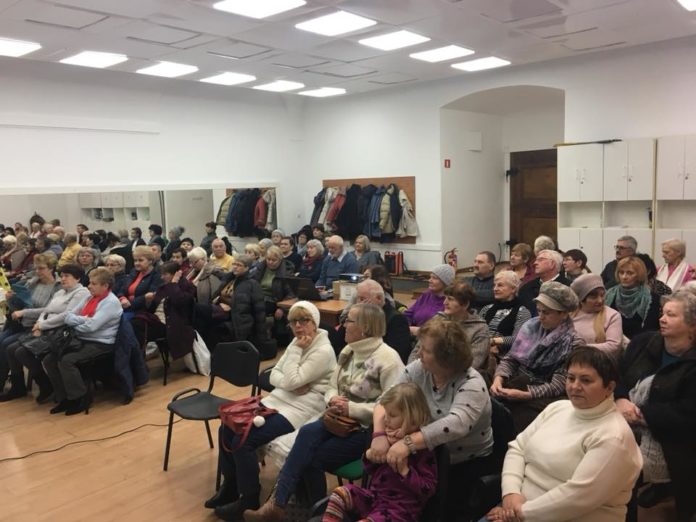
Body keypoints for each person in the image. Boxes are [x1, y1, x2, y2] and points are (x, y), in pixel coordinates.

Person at [244, 303, 405, 521]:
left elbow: (391, 409)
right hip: (337, 418)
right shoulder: (348, 351)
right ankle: (280, 504)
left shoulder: (389, 360)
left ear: (365, 328)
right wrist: (332, 398)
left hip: (365, 429)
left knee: (311, 457)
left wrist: (352, 408)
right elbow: (331, 386)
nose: (342, 325)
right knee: (306, 434)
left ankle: (315, 514)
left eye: (348, 320)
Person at [208, 301, 337, 520]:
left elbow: (290, 379)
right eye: (293, 321)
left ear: (315, 323)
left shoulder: (322, 350)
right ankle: (231, 486)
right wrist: (290, 382)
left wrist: (293, 367)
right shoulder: (296, 343)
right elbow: (272, 375)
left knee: (244, 439)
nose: (298, 326)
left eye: (304, 320)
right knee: (227, 428)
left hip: (301, 409)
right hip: (279, 400)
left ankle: (248, 498)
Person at [486, 347, 642, 522]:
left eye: (586, 380)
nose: (575, 386)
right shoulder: (558, 408)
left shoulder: (614, 437)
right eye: (571, 378)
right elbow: (517, 448)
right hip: (518, 508)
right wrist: (510, 494)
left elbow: (577, 498)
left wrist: (519, 514)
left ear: (610, 387)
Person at [371, 317, 494, 521]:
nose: (418, 353)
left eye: (426, 350)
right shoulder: (420, 368)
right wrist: (379, 434)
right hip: (424, 454)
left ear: (446, 358)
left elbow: (457, 424)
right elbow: (385, 400)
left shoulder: (472, 383)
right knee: (392, 497)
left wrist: (407, 443)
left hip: (462, 463)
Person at [615, 290, 696, 520]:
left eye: (671, 315)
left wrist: (641, 415)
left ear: (692, 325)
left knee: (620, 471)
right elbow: (618, 376)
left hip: (672, 435)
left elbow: (689, 412)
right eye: (662, 313)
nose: (662, 319)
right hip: (623, 416)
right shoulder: (644, 342)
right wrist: (621, 399)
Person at [323, 383, 437, 522]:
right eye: (386, 413)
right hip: (374, 498)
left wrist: (405, 471)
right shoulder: (387, 438)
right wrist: (369, 456)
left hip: (400, 511)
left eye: (392, 415)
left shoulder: (422, 449)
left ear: (412, 419)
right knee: (340, 494)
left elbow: (427, 490)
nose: (386, 419)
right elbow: (371, 471)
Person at [491, 281, 582, 433]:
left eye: (546, 312)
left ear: (563, 313)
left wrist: (526, 395)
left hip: (546, 396)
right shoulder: (531, 327)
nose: (540, 317)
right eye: (539, 311)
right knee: (491, 406)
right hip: (519, 384)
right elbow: (511, 359)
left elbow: (558, 386)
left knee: (514, 419)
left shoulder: (573, 343)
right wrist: (498, 379)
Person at [0, 264, 90, 402]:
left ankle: (46, 385)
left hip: (61, 332)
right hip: (45, 328)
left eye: (67, 276)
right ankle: (28, 386)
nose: (63, 279)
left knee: (21, 351)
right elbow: (46, 311)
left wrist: (42, 325)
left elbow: (67, 315)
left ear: (77, 278)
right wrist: (39, 324)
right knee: (11, 348)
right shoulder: (60, 293)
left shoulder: (81, 293)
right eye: (62, 276)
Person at [42, 267, 123, 415]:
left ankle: (79, 398)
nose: (89, 286)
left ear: (105, 285)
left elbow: (91, 327)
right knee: (49, 359)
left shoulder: (111, 302)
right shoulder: (89, 297)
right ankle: (63, 397)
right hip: (81, 338)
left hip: (100, 342)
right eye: (89, 282)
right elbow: (68, 315)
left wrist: (78, 322)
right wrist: (84, 319)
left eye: (93, 283)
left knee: (67, 360)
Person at [0, 253, 60, 390]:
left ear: (51, 268)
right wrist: (11, 299)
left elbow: (49, 309)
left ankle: (18, 385)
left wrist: (24, 312)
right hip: (22, 323)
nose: (37, 271)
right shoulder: (33, 282)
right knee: (1, 341)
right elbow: (20, 305)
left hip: (37, 325)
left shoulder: (57, 286)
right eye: (36, 268)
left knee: (7, 345)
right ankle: (6, 382)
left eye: (41, 268)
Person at [194, 255, 267, 349]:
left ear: (247, 268)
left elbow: (259, 310)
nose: (235, 267)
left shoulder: (252, 284)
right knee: (199, 320)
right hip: (219, 308)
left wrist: (262, 338)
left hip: (235, 316)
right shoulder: (229, 277)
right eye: (234, 264)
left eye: (239, 265)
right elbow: (218, 287)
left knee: (198, 309)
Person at [331, 279, 411, 363]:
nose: (358, 303)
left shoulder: (396, 320)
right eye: (357, 299)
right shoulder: (357, 314)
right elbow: (338, 342)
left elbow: (397, 355)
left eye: (362, 299)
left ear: (379, 298)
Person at [432, 281, 491, 373]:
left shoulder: (480, 329)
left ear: (465, 304)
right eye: (445, 298)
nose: (445, 302)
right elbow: (418, 349)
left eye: (450, 299)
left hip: (458, 376)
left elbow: (473, 363)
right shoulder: (438, 319)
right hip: (428, 371)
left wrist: (440, 373)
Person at [479, 271, 532, 359]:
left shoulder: (522, 312)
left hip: (505, 357)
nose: (495, 289)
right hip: (480, 351)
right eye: (494, 285)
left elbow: (519, 339)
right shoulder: (486, 308)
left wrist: (494, 342)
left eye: (500, 285)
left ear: (513, 289)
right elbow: (477, 332)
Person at [605, 256, 660, 339]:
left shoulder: (651, 298)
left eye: (630, 273)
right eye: (621, 272)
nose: (624, 277)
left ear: (639, 275)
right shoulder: (609, 294)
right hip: (610, 340)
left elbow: (650, 329)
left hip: (639, 342)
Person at [571, 274, 623, 358]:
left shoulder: (612, 316)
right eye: (593, 297)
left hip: (599, 362)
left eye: (602, 295)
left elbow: (614, 346)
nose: (600, 300)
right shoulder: (569, 315)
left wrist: (582, 348)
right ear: (581, 299)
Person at [404, 264, 454, 335]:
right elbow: (408, 313)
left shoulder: (449, 303)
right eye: (430, 277)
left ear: (445, 282)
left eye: (434, 278)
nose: (430, 280)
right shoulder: (426, 294)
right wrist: (405, 326)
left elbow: (442, 330)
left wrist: (419, 331)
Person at [518, 249, 570, 316]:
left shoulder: (569, 287)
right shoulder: (526, 288)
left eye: (540, 260)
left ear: (552, 264)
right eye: (536, 260)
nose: (535, 263)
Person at [117, 245, 162, 317]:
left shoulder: (157, 275)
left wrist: (130, 303)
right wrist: (122, 298)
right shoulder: (133, 271)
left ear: (150, 261)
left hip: (141, 312)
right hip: (124, 307)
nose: (137, 263)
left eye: (141, 260)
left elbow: (149, 297)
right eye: (135, 260)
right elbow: (122, 290)